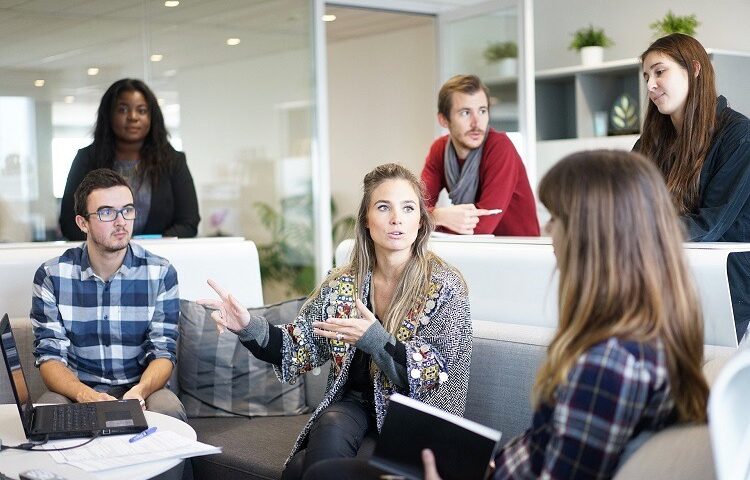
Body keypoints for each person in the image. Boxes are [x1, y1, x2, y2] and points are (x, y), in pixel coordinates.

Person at [312, 151, 710, 480]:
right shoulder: (642, 340)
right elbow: (548, 451)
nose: (549, 231)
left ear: (594, 236)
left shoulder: (609, 365)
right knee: (316, 468)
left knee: (323, 475)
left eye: (556, 219)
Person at [199, 163, 472, 479]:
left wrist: (375, 339)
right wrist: (248, 325)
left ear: (420, 221)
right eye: (384, 207)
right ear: (366, 221)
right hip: (353, 407)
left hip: (413, 418)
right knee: (328, 428)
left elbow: (437, 375)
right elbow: (297, 346)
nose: (397, 218)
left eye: (408, 208)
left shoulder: (444, 286)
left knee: (303, 469)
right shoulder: (343, 284)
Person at [32, 169, 186, 421]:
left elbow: (163, 352)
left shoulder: (160, 273)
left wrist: (139, 391)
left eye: (127, 210)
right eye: (106, 212)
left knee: (168, 410)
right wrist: (85, 395)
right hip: (77, 390)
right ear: (83, 223)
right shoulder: (52, 275)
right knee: (46, 412)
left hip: (141, 389)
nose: (121, 221)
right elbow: (49, 357)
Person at [634, 33, 750, 340]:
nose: (650, 85)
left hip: (727, 286)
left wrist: (637, 231)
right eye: (647, 76)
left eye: (660, 72)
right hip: (666, 277)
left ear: (694, 69)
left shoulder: (739, 137)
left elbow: (710, 225)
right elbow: (626, 205)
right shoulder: (649, 144)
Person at [59, 78, 200, 240]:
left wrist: (148, 249)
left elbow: (188, 223)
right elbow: (70, 224)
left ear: (152, 117)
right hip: (101, 260)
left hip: (159, 258)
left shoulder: (174, 161)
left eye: (142, 110)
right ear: (109, 115)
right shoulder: (87, 159)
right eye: (123, 110)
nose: (133, 117)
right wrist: (112, 246)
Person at [420, 74, 539, 236]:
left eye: (482, 111)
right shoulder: (439, 149)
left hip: (518, 251)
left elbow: (482, 226)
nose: (477, 123)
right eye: (465, 113)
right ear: (443, 120)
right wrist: (438, 216)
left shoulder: (500, 147)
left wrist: (431, 219)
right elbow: (415, 209)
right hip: (474, 250)